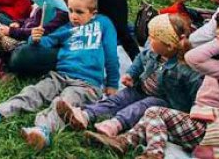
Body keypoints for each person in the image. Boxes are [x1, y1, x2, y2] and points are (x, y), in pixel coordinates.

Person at [0, 0, 120, 151]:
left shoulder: (103, 24)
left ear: (93, 12)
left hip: (86, 84)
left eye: (79, 12)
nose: (74, 16)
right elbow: (48, 42)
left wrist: (112, 84)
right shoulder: (66, 29)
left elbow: (111, 54)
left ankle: (42, 130)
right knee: (33, 92)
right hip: (60, 76)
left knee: (64, 102)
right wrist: (35, 39)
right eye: (70, 10)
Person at [85, 14, 219, 159]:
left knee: (154, 111)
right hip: (200, 123)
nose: (218, 32)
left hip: (210, 130)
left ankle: (154, 153)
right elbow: (143, 59)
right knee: (150, 118)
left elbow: (193, 58)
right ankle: (123, 142)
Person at [59, 14, 200, 136]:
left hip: (164, 102)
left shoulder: (186, 68)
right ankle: (86, 115)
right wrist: (131, 74)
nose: (149, 40)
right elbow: (140, 59)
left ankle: (115, 124)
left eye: (152, 37)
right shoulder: (153, 52)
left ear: (168, 45)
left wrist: (192, 115)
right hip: (141, 89)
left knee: (141, 107)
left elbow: (197, 90)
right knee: (119, 98)